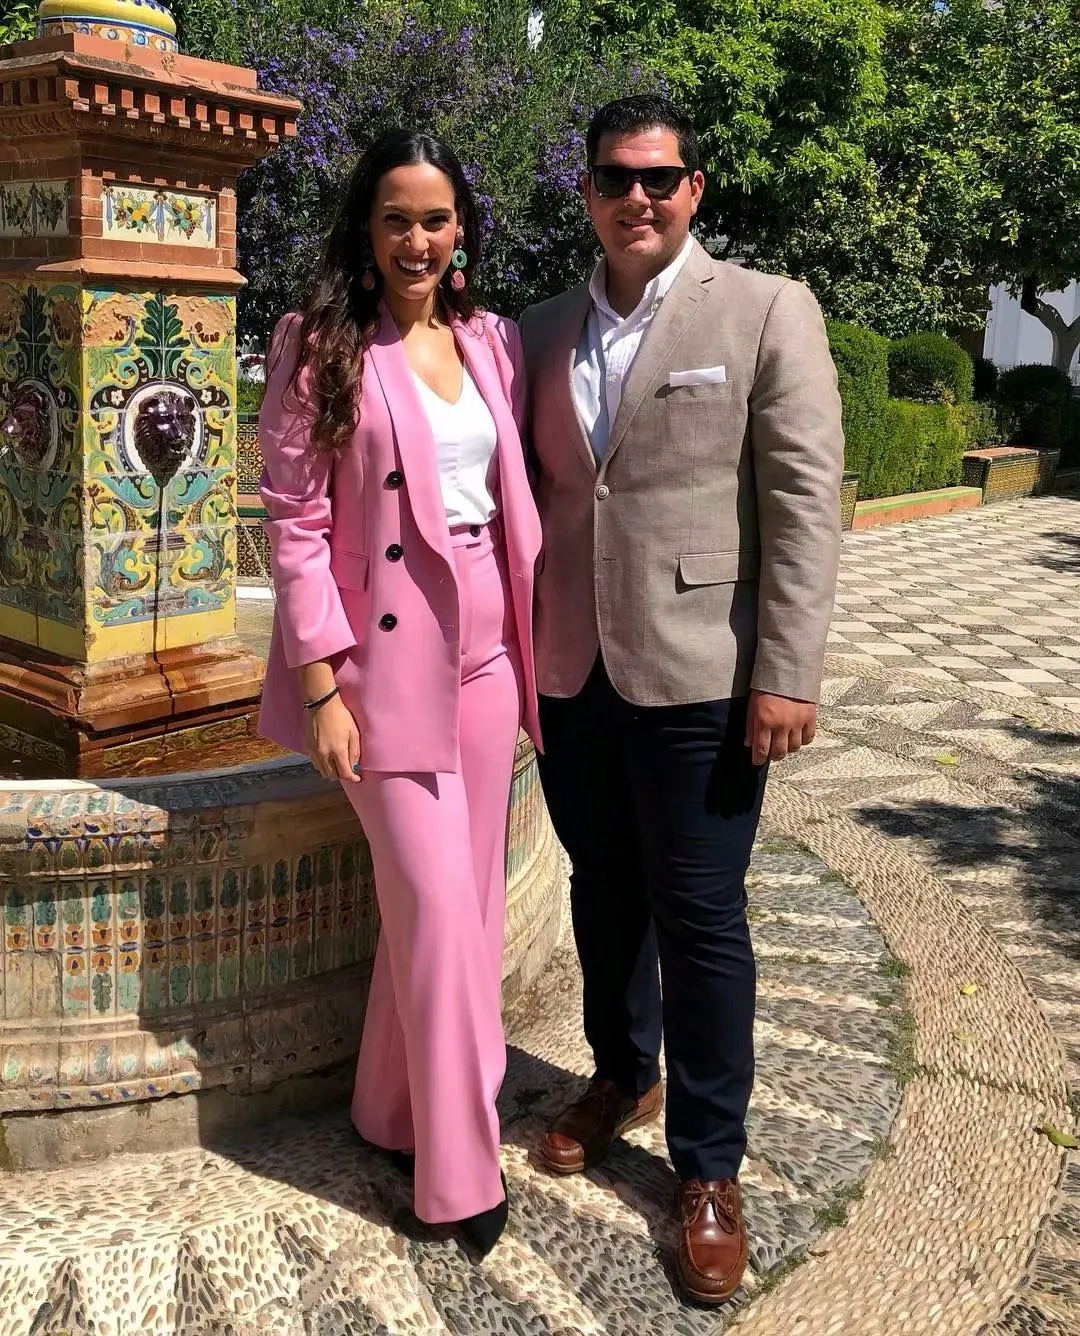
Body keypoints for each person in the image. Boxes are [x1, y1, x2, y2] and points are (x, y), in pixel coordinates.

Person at [520, 95, 844, 1304]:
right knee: (600, 888)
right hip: (571, 669)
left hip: (703, 671)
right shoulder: (538, 331)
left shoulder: (763, 309)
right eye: (615, 177)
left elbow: (804, 502)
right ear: (588, 193)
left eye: (660, 178)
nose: (638, 197)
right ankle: (622, 1071)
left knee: (702, 919)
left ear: (694, 189)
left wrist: (786, 670)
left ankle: (708, 1167)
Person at [257, 129, 542, 1258]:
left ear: (461, 227)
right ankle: (461, 1175)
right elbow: (294, 522)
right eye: (395, 220)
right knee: (433, 913)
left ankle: (385, 1110)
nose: (416, 241)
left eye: (435, 219)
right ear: (365, 230)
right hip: (382, 664)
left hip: (487, 654)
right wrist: (321, 686)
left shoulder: (491, 340)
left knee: (462, 908)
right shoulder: (320, 344)